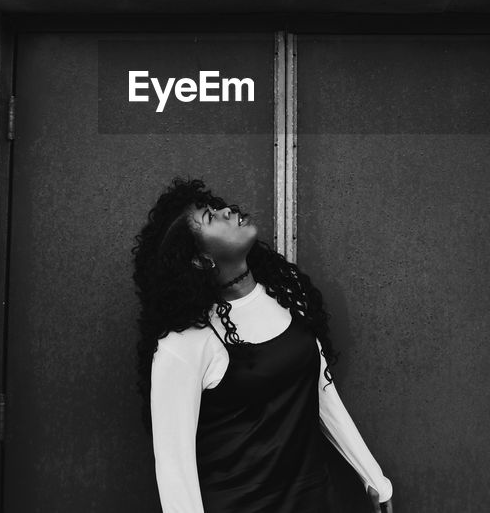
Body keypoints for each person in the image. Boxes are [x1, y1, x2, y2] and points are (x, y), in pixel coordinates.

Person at [133, 178, 395, 513]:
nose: (229, 210)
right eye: (212, 217)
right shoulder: (186, 341)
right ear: (201, 260)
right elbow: (174, 467)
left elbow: (321, 392)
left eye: (219, 207)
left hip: (313, 500)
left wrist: (374, 478)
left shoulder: (287, 297)